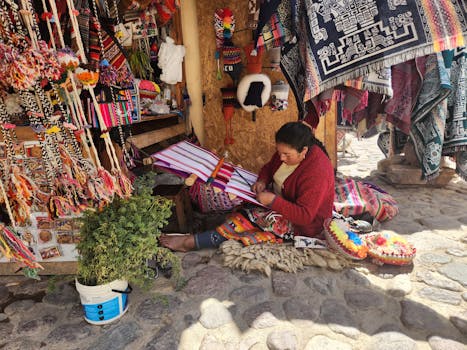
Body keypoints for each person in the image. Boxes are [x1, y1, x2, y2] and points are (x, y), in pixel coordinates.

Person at [160, 121, 335, 252]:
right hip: (281, 203)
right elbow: (268, 168)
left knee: (247, 218)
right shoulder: (287, 152)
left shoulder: (317, 171)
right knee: (244, 207)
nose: (281, 158)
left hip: (305, 226)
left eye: (286, 155)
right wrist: (262, 181)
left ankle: (190, 242)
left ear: (303, 151)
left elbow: (305, 216)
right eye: (279, 152)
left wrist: (272, 201)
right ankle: (209, 235)